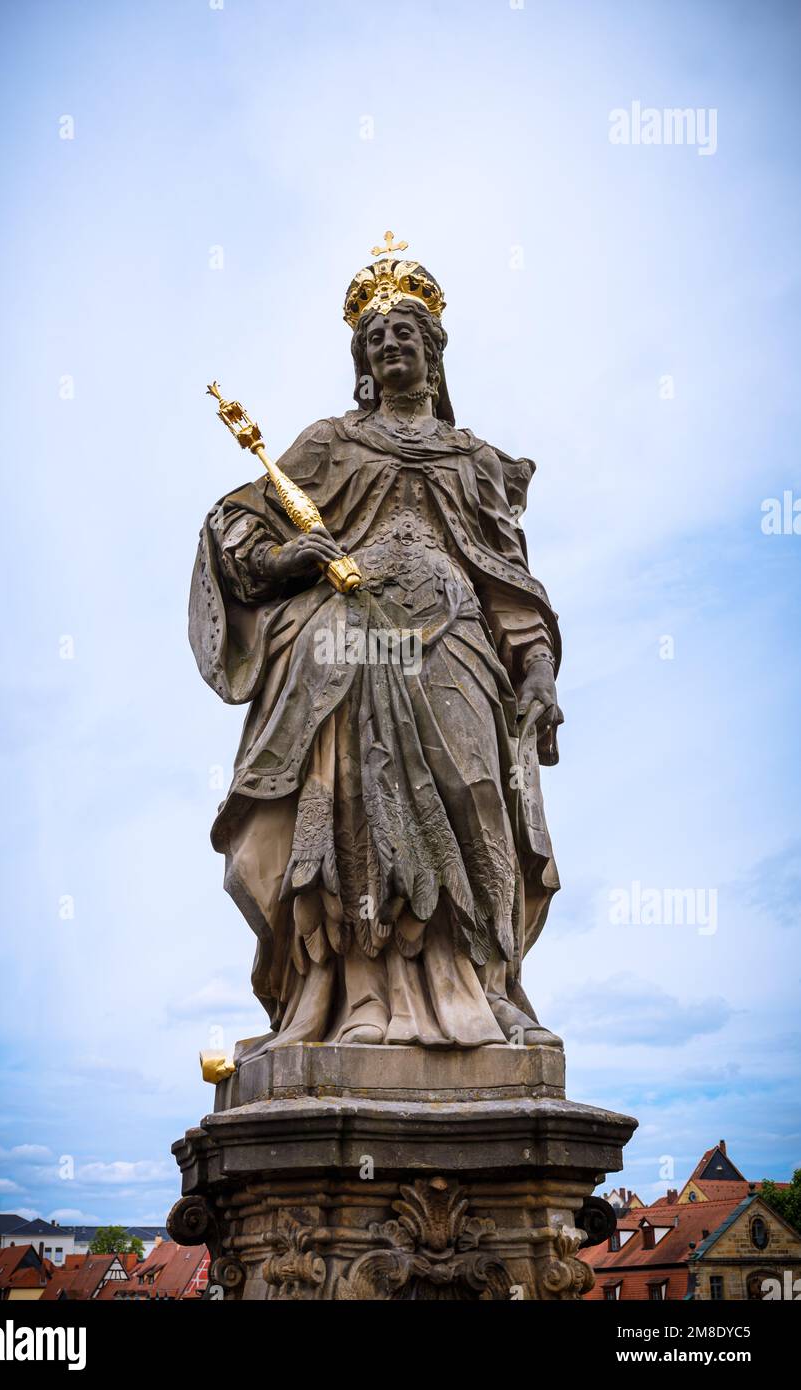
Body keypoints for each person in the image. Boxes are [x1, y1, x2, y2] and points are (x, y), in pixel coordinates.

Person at [190, 240, 564, 1054]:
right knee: (361, 810)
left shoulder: (475, 461)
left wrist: (536, 668)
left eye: (407, 333)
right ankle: (358, 994)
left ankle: (488, 988)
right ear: (363, 360)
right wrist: (295, 558)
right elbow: (238, 522)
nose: (392, 344)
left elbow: (510, 579)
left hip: (456, 633)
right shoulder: (329, 443)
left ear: (432, 352)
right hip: (350, 644)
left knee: (476, 796)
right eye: (377, 338)